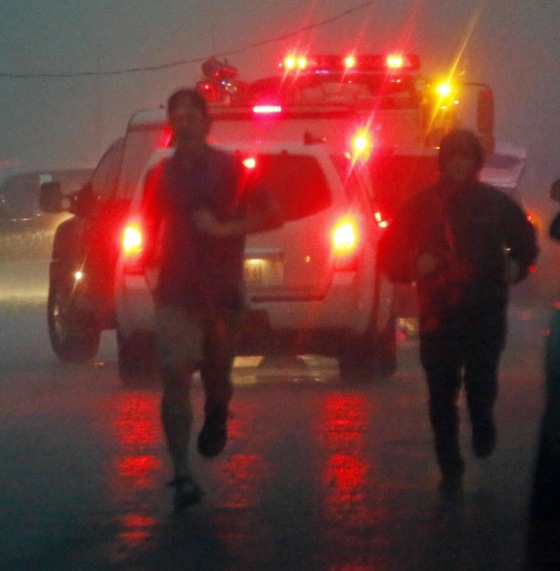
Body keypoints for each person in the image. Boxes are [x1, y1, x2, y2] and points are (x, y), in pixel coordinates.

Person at [140, 88, 283, 511]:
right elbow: (146, 231)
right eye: (176, 115)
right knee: (175, 374)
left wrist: (223, 230)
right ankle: (181, 472)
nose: (183, 122)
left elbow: (275, 213)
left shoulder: (230, 167)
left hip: (221, 295)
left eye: (191, 115)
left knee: (216, 375)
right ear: (170, 124)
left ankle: (218, 409)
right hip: (175, 292)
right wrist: (148, 263)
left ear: (206, 122)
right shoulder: (160, 175)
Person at [378, 129, 538, 491]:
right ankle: (448, 459)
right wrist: (413, 268)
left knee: (482, 382)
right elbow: (388, 254)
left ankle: (482, 423)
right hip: (438, 312)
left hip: (485, 308)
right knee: (441, 390)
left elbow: (525, 243)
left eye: (466, 157)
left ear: (476, 163)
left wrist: (515, 267)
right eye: (453, 156)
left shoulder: (496, 204)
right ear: (442, 161)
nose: (458, 164)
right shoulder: (420, 207)